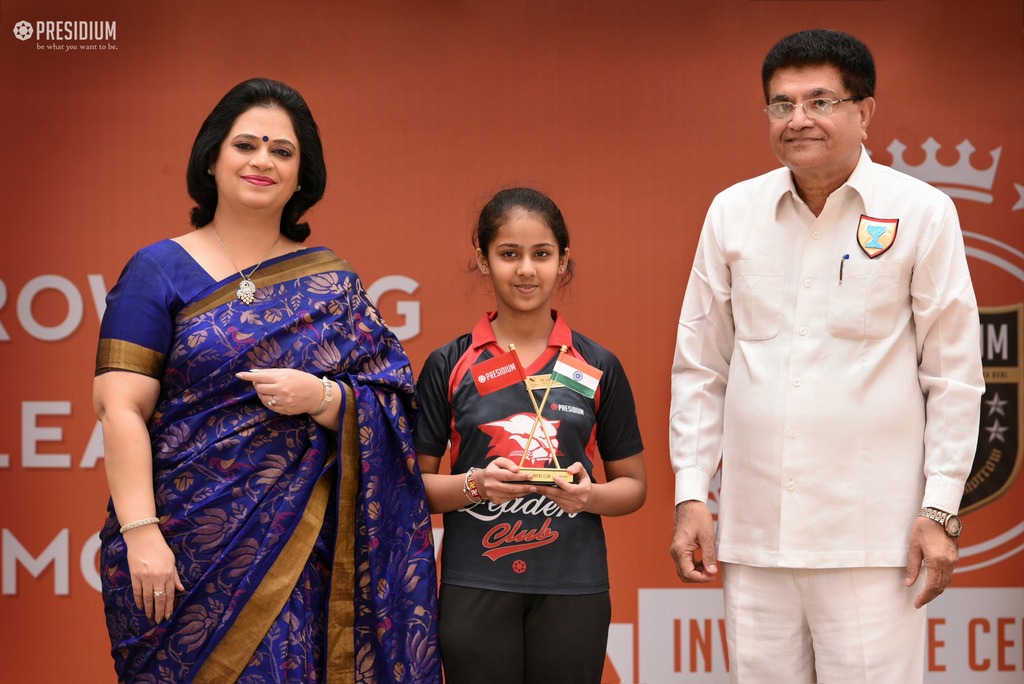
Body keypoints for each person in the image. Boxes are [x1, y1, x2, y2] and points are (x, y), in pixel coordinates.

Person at [93, 77, 440, 684]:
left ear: (303, 176)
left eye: (282, 151)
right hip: (180, 548)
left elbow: (392, 401)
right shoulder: (157, 269)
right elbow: (118, 406)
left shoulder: (334, 284)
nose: (262, 161)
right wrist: (143, 535)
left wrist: (325, 398)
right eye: (246, 145)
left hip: (300, 552)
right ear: (212, 158)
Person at [669, 29, 984, 684]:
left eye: (820, 101)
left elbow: (954, 375)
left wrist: (940, 511)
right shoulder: (732, 213)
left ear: (864, 111)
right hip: (756, 538)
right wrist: (692, 493)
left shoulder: (922, 212)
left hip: (874, 542)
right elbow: (701, 366)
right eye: (781, 105)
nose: (798, 119)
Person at [414, 188, 646, 684]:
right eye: (509, 254)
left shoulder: (598, 365)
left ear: (563, 261)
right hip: (475, 580)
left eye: (541, 254)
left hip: (573, 585)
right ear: (483, 260)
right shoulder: (448, 364)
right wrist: (475, 485)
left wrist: (588, 496)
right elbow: (414, 486)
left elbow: (633, 486)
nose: (526, 270)